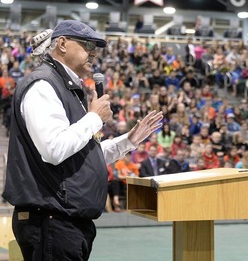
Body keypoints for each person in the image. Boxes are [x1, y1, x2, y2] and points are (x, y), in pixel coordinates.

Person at [1, 20, 163, 261]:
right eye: (87, 45)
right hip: (51, 221)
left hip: (64, 221)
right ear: (62, 44)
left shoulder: (65, 87)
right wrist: (95, 117)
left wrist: (129, 141)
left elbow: (83, 154)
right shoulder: (43, 85)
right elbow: (54, 149)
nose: (93, 53)